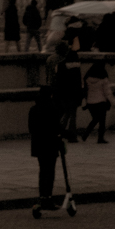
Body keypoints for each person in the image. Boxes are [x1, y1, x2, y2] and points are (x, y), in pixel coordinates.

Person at [28, 85, 66, 214]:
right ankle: (48, 197)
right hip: (50, 143)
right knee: (50, 172)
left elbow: (31, 128)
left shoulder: (33, 109)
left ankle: (42, 196)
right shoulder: (52, 108)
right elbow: (57, 127)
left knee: (43, 171)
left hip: (39, 144)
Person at [50, 38, 83, 141]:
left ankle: (58, 132)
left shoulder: (61, 65)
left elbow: (58, 81)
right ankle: (71, 135)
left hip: (64, 94)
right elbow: (79, 83)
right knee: (72, 115)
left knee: (66, 114)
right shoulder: (77, 67)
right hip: (75, 94)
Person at [82, 60, 114, 143]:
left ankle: (86, 133)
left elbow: (85, 91)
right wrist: (113, 102)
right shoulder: (103, 78)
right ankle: (100, 138)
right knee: (101, 121)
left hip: (90, 102)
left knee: (95, 119)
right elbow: (107, 92)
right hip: (101, 102)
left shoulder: (87, 78)